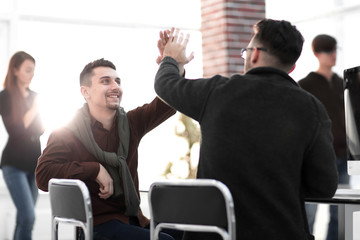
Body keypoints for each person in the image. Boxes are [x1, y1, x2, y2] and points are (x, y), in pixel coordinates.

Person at [154, 19, 339, 240]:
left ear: (255, 55)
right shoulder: (312, 109)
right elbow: (324, 187)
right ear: (291, 68)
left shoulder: (216, 93)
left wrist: (171, 60)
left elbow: (165, 84)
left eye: (246, 52)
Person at [35, 56, 178, 240]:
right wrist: (93, 169)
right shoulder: (67, 132)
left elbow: (168, 103)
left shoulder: (131, 123)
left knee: (197, 233)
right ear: (85, 92)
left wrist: (172, 64)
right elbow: (42, 175)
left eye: (117, 81)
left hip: (134, 220)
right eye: (105, 81)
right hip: (97, 227)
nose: (115, 86)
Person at [298, 34, 348, 240]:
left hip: (344, 155)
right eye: (328, 51)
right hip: (317, 158)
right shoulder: (305, 84)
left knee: (340, 212)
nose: (333, 55)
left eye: (335, 50)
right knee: (310, 211)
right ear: (317, 53)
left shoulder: (343, 82)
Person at [0, 51, 44, 240]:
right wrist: (34, 108)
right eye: (28, 70)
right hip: (14, 164)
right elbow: (16, 130)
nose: (32, 74)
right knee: (28, 216)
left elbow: (39, 129)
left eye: (33, 70)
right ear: (15, 70)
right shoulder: (5, 97)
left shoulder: (34, 95)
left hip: (34, 164)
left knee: (23, 219)